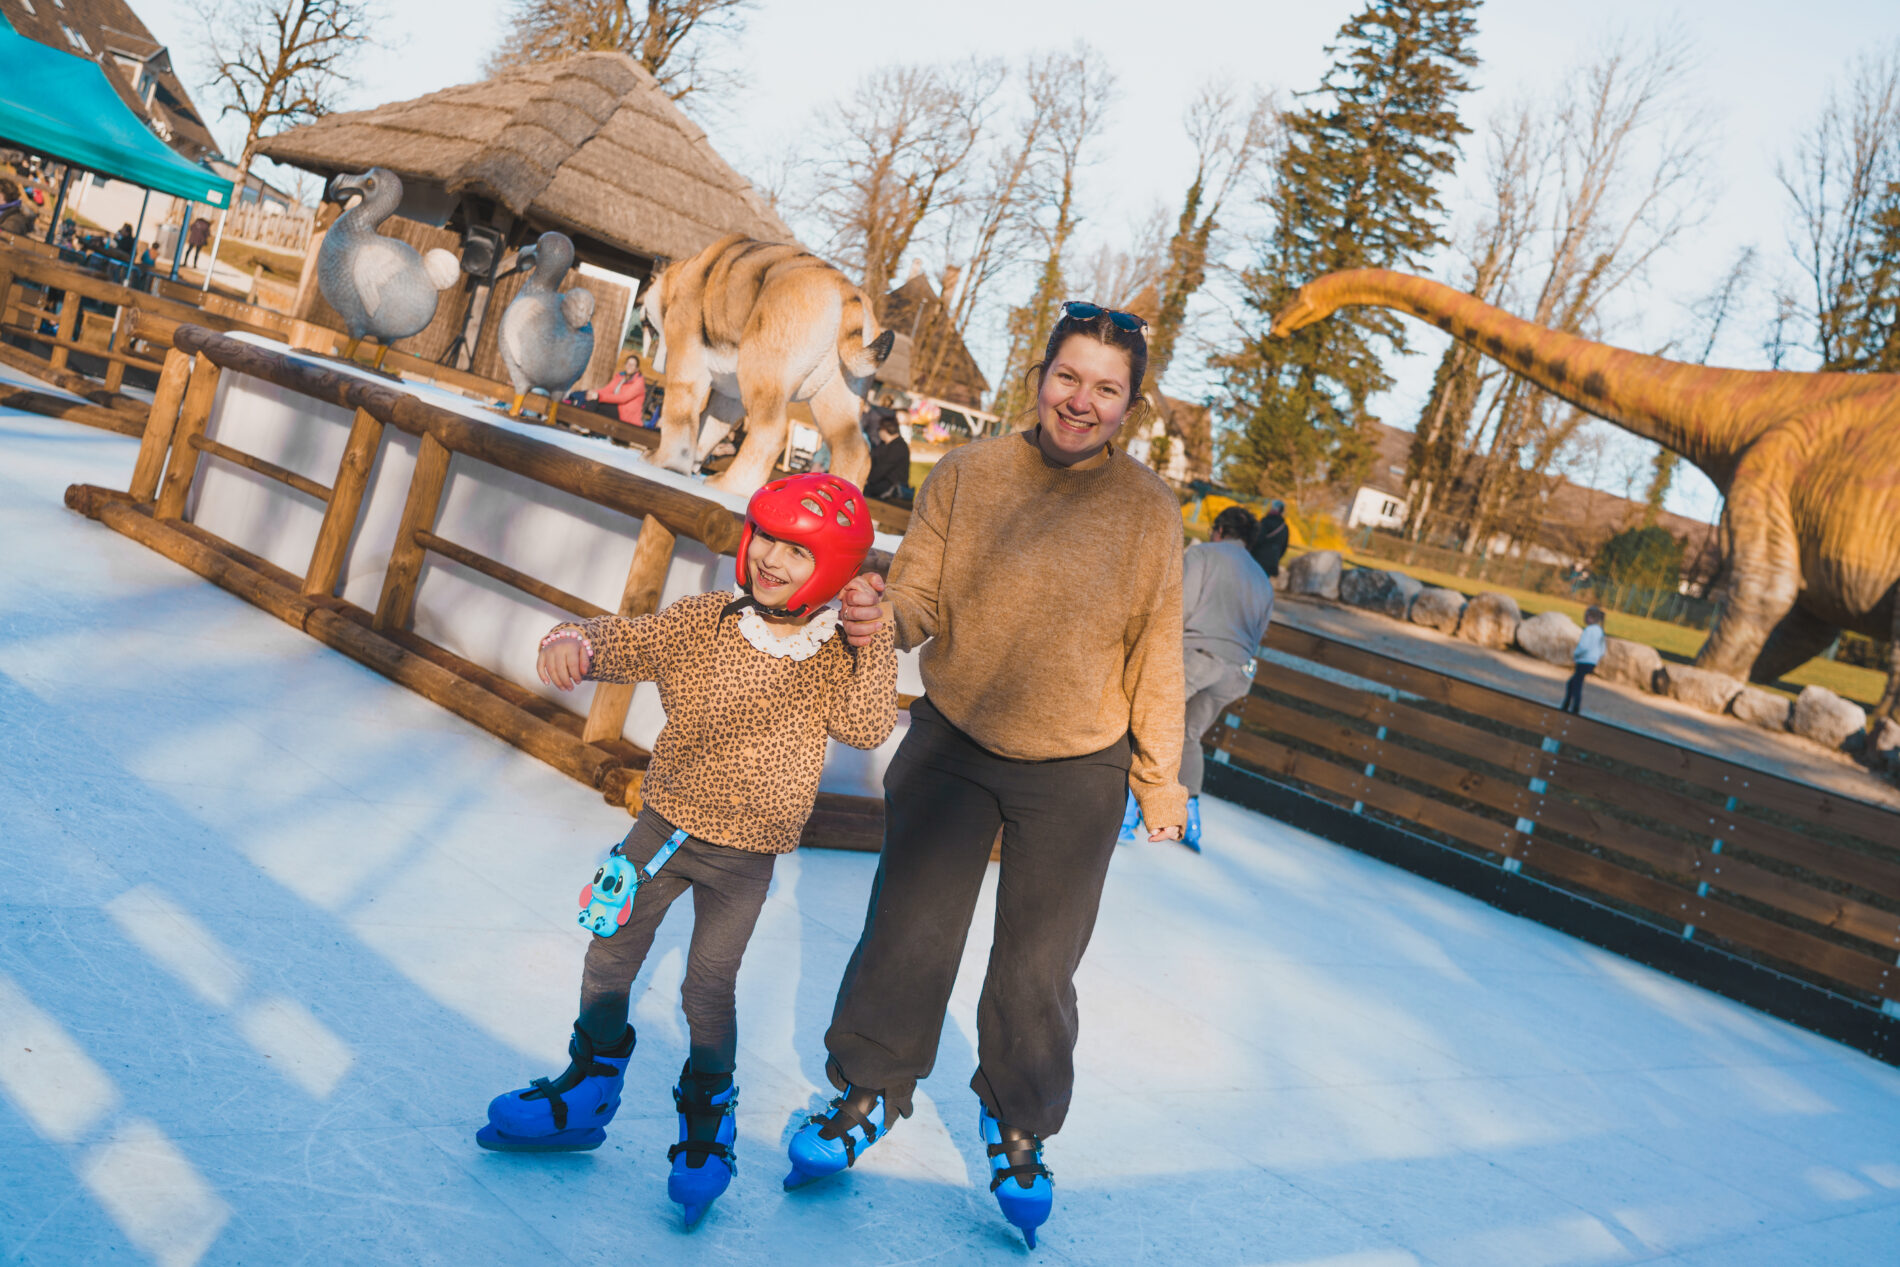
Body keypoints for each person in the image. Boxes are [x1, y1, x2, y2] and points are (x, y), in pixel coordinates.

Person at [784, 301, 1186, 1247]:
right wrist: (882, 617)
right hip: (955, 738)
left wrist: (1160, 780)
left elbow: (1157, 650)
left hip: (1079, 764)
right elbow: (920, 594)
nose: (1080, 402)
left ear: (1131, 404)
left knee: (1037, 969)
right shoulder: (968, 474)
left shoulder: (1148, 513)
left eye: (1106, 388)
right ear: (1040, 374)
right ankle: (869, 1094)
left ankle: (1019, 1127)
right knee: (908, 932)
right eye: (1068, 376)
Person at [476, 474, 896, 1227]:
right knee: (609, 951)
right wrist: (574, 640)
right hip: (660, 830)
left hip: (744, 860)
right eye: (765, 536)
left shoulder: (833, 655)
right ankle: (586, 1086)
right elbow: (631, 639)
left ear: (832, 571)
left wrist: (875, 639)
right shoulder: (705, 621)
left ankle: (708, 1118)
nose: (771, 558)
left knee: (707, 989)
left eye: (798, 552)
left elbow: (866, 726)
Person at [1121, 504, 1273, 852]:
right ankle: (1190, 822)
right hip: (1236, 671)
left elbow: (1179, 605)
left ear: (1219, 530)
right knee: (1188, 734)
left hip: (1197, 657)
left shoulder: (1203, 555)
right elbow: (1259, 632)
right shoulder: (1262, 579)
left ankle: (1125, 815)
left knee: (1144, 724)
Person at [1562, 606, 1606, 715]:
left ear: (1590, 618)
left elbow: (1584, 646)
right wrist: (1596, 658)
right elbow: (1602, 649)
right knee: (1573, 682)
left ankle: (1573, 707)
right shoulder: (1600, 631)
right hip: (1592, 662)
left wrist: (1576, 654)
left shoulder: (1589, 630)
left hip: (1584, 660)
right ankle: (1568, 705)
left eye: (1586, 616)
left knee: (1576, 683)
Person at [589, 353, 648, 426]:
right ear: (625, 365)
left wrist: (599, 396)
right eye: (628, 363)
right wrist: (593, 392)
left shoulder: (639, 382)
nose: (629, 366)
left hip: (624, 413)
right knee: (591, 398)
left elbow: (623, 398)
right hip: (615, 406)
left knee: (597, 403)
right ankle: (586, 425)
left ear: (637, 369)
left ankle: (586, 425)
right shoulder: (620, 376)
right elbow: (607, 390)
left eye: (632, 365)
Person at [862, 414, 911, 501]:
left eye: (879, 429)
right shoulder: (884, 444)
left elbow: (882, 468)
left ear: (884, 430)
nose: (878, 432)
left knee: (863, 492)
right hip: (880, 482)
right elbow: (872, 457)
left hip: (891, 487)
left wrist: (867, 480)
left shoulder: (899, 447)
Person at [1249, 498, 1291, 578]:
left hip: (1258, 559)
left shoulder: (1265, 522)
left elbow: (1257, 540)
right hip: (1272, 562)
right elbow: (1284, 547)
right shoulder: (1284, 527)